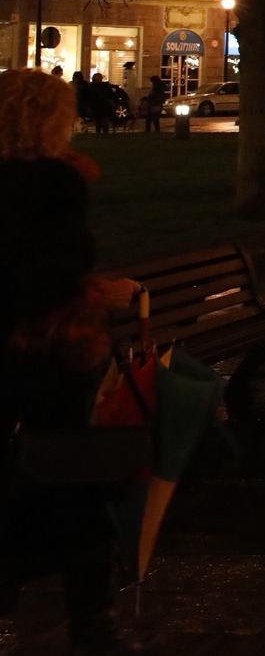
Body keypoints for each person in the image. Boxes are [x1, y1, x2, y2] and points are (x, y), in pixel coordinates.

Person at [0, 69, 149, 654]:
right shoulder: (55, 186)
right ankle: (93, 621)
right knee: (74, 480)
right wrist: (99, 294)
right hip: (48, 357)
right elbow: (47, 278)